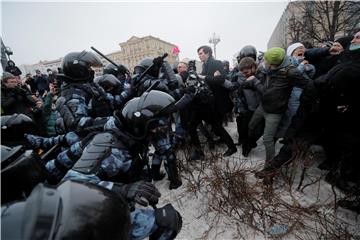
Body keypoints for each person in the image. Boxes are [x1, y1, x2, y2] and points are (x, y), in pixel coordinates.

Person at [244, 47, 308, 167]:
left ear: (274, 63)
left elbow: (308, 85)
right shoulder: (270, 69)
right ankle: (250, 143)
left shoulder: (291, 72)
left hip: (274, 112)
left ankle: (269, 167)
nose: (264, 63)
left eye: (266, 61)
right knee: (251, 126)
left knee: (268, 139)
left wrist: (303, 100)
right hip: (263, 106)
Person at [188, 45, 237, 160]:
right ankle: (203, 150)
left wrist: (203, 77)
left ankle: (232, 147)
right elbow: (209, 80)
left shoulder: (216, 63)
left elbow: (221, 79)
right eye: (198, 54)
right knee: (212, 126)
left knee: (217, 127)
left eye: (201, 53)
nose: (199, 56)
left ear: (207, 53)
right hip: (207, 101)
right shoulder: (206, 65)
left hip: (217, 101)